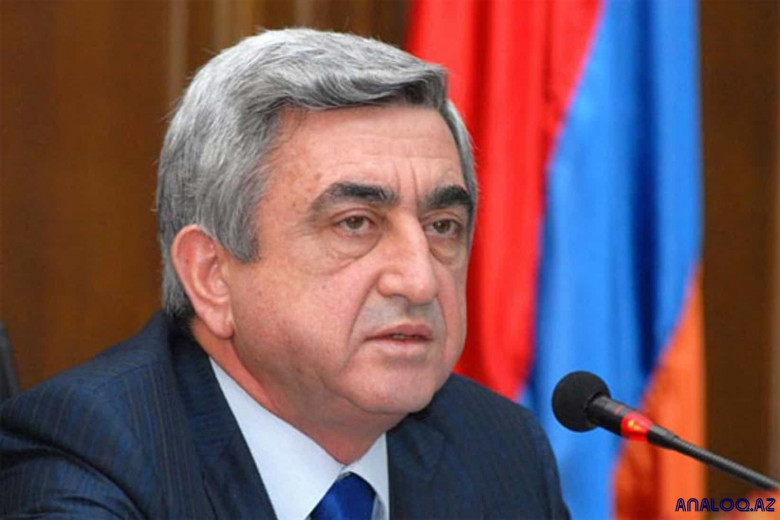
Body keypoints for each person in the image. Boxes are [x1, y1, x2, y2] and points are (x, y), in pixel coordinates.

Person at [0, 28, 568, 519]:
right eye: (355, 224)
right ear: (212, 276)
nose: (420, 281)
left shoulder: (499, 447)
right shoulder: (88, 455)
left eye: (443, 226)